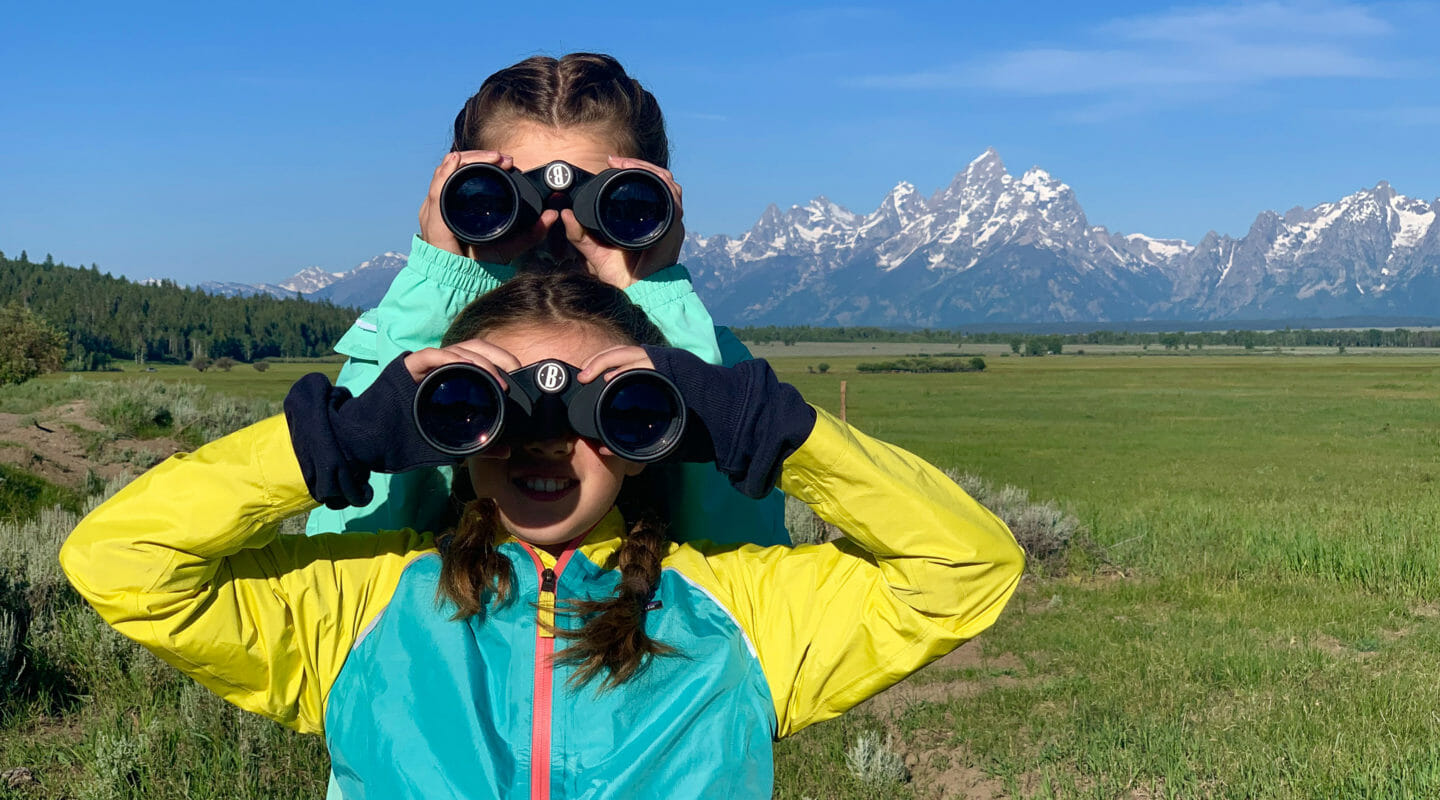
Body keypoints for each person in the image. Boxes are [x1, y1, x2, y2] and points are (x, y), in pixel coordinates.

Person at [61, 272, 1025, 799]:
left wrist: (760, 423)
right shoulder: (359, 608)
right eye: (496, 408)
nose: (547, 443)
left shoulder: (742, 616)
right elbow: (116, 560)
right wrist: (345, 436)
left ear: (646, 436)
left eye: (604, 413)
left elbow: (969, 567)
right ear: (444, 425)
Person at [313, 52, 785, 546]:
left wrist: (669, 319)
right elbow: (344, 548)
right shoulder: (407, 335)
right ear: (451, 201)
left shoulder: (710, 358)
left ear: (658, 206)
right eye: (499, 202)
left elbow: (745, 561)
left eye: (614, 204)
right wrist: (438, 291)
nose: (556, 235)